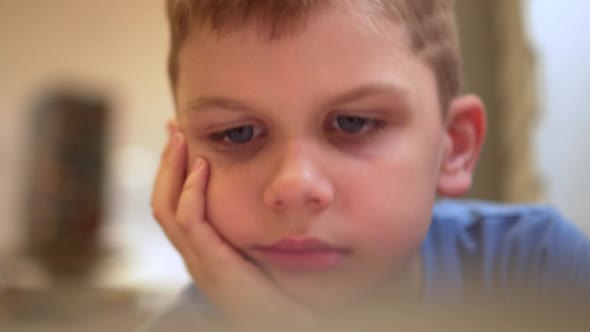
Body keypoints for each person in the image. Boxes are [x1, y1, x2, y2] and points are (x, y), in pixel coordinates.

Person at [141, 0, 590, 330]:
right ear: (178, 160)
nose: (295, 185)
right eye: (236, 133)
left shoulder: (538, 269)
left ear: (453, 147)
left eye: (353, 123)